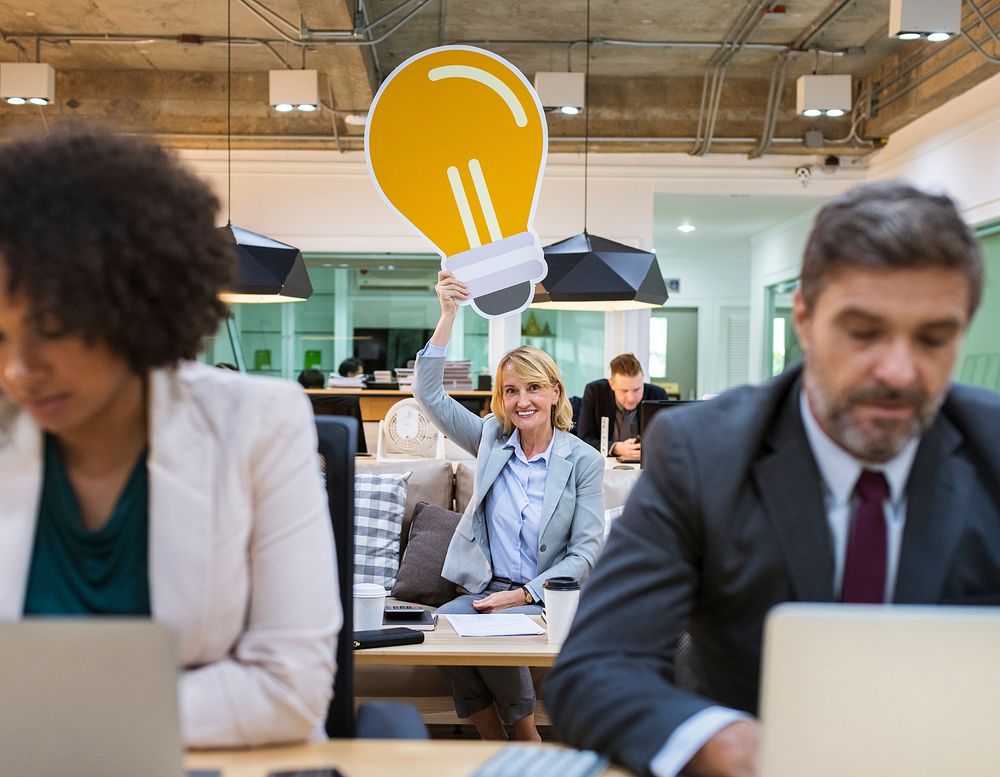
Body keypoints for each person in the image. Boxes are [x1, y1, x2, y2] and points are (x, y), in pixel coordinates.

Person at [547, 180, 1000, 777]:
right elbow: (594, 669)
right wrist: (720, 741)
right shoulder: (700, 452)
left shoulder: (992, 449)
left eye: (934, 339)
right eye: (863, 333)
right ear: (805, 320)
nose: (897, 371)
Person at [0, 126, 340, 748]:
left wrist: (47, 719)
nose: (19, 370)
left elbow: (288, 690)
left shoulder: (257, 423)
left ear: (132, 303)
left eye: (50, 327)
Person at [413, 270, 605, 742]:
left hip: (541, 596)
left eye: (533, 388)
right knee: (443, 628)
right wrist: (448, 314)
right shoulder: (491, 440)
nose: (522, 401)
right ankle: (492, 742)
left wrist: (521, 596)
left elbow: (586, 552)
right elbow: (429, 396)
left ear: (555, 392)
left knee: (497, 628)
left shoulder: (583, 460)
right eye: (511, 391)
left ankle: (525, 736)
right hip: (486, 587)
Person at [577, 354, 667, 459]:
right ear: (612, 384)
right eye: (624, 391)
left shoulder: (657, 395)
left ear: (642, 381)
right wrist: (616, 448)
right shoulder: (595, 392)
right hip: (607, 466)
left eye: (637, 389)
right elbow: (583, 440)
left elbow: (668, 440)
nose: (631, 398)